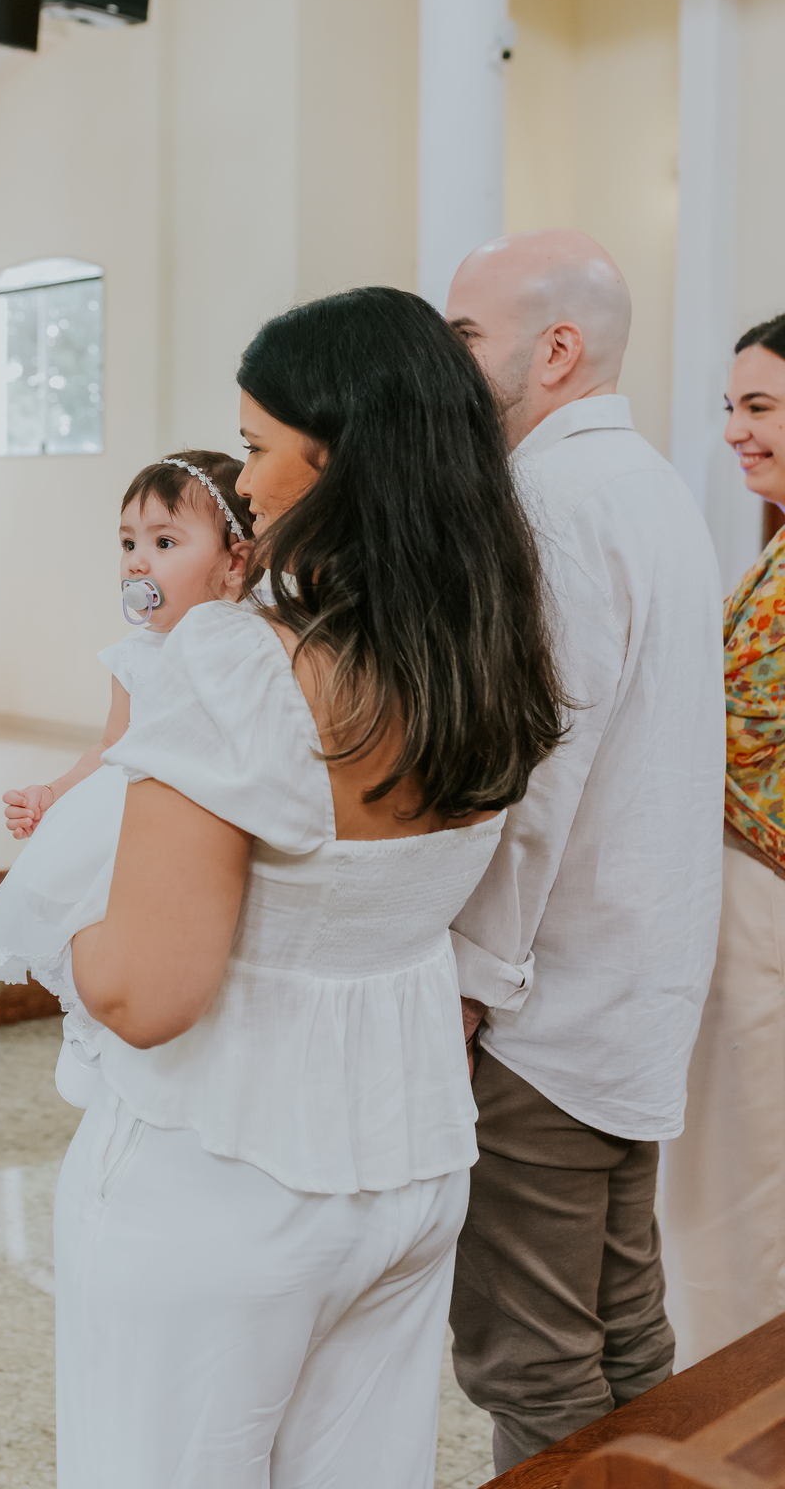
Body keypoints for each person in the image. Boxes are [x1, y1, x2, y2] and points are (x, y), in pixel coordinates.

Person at [53, 286, 565, 1488]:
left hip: (227, 1174)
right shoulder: (492, 643)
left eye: (255, 447)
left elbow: (151, 990)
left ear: (333, 463)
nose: (244, 484)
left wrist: (55, 926)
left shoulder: (244, 659)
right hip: (408, 1158)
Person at [444, 229, 725, 1471]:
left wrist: (469, 976)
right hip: (636, 989)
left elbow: (531, 778)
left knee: (533, 1360)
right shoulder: (655, 487)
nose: (451, 365)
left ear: (555, 350)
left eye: (466, 337)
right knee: (623, 1336)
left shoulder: (550, 502)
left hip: (549, 1009)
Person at [0, 450, 252, 1105]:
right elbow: (110, 746)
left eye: (164, 541)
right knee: (104, 921)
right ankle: (96, 1032)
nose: (136, 560)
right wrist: (55, 793)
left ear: (236, 563)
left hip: (199, 821)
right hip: (126, 818)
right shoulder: (132, 657)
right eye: (128, 542)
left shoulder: (251, 646)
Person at [661, 314, 785, 1366]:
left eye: (762, 408)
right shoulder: (775, 546)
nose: (738, 433)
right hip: (735, 914)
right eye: (732, 410)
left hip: (769, 918)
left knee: (755, 1202)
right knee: (723, 1195)